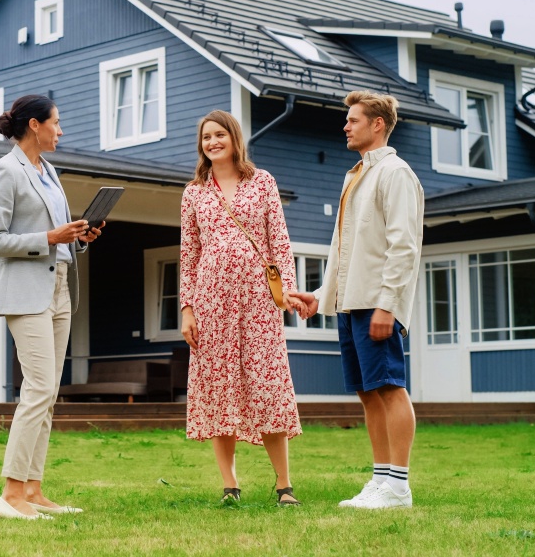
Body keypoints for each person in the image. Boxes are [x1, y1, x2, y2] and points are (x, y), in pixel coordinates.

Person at [287, 91, 424, 509]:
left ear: (377, 124)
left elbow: (404, 246)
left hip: (376, 303)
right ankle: (381, 479)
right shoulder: (354, 176)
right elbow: (343, 247)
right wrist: (320, 297)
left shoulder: (396, 173)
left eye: (353, 120)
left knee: (389, 388)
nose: (345, 126)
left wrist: (388, 304)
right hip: (351, 303)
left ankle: (399, 486)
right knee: (368, 392)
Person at [0, 93, 103, 521]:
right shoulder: (4, 171)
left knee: (48, 394)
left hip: (59, 289)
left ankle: (33, 489)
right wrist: (51, 238)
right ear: (34, 125)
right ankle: (10, 495)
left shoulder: (49, 172)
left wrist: (77, 237)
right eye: (56, 122)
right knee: (37, 390)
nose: (61, 130)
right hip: (23, 293)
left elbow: (56, 236)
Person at [178, 109, 304, 507]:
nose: (212, 142)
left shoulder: (262, 181)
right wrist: (187, 309)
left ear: (234, 138)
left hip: (258, 299)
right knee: (219, 388)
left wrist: (288, 292)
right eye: (206, 137)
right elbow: (189, 254)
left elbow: (279, 241)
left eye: (219, 135)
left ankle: (284, 485)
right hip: (211, 299)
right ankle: (229, 485)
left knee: (267, 386)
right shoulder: (193, 192)